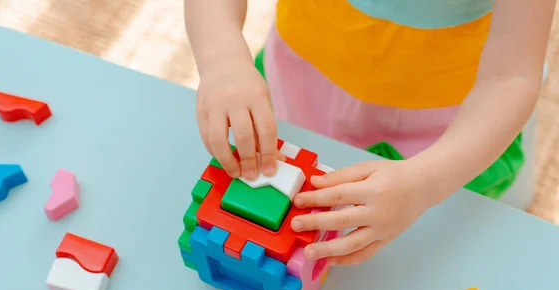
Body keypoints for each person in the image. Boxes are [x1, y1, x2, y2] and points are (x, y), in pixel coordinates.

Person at [184, 0, 555, 267]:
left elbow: (511, 76)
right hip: (300, 88)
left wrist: (424, 182)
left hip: (444, 135)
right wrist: (223, 60)